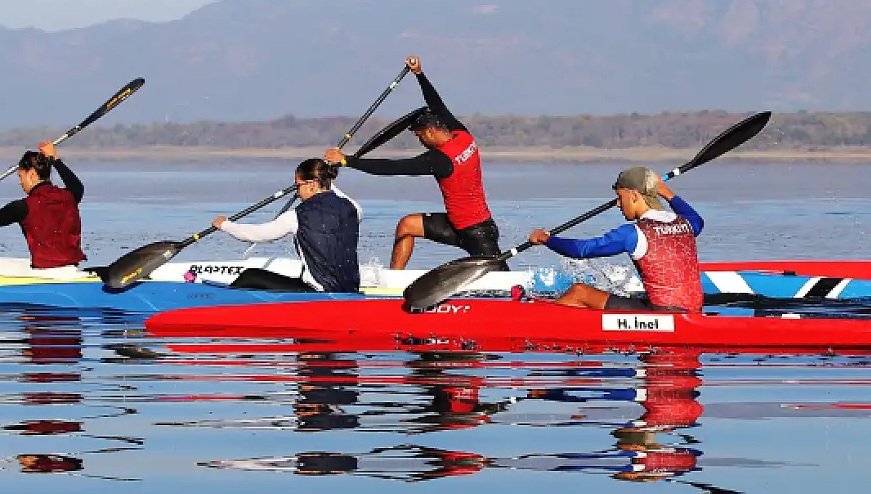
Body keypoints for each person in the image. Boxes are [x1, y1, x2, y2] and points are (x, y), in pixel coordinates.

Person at [322, 56, 499, 270]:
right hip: (457, 225)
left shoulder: (440, 159)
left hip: (477, 233)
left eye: (419, 136)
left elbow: (393, 168)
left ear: (431, 131)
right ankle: (393, 281)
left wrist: (346, 161)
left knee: (501, 279)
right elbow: (437, 105)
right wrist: (419, 74)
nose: (420, 140)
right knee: (407, 226)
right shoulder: (463, 135)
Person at [528, 166, 704, 311]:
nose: (618, 204)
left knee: (579, 292)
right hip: (693, 310)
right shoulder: (686, 224)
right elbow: (697, 219)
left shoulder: (633, 233)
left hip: (661, 314)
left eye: (621, 197)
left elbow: (581, 250)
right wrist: (666, 192)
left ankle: (541, 323)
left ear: (634, 196)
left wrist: (545, 239)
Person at [211, 157, 361, 293]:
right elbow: (332, 193)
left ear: (311, 185)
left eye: (298, 186)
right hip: (350, 290)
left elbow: (256, 235)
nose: (297, 193)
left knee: (250, 276)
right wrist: (324, 179)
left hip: (318, 293)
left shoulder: (296, 216)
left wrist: (225, 225)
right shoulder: (353, 209)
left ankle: (220, 309)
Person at [0, 141, 85, 269]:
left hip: (46, 274)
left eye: (20, 176)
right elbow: (77, 186)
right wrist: (55, 158)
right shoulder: (69, 196)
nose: (20, 182)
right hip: (72, 269)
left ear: (31, 174)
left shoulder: (23, 207)